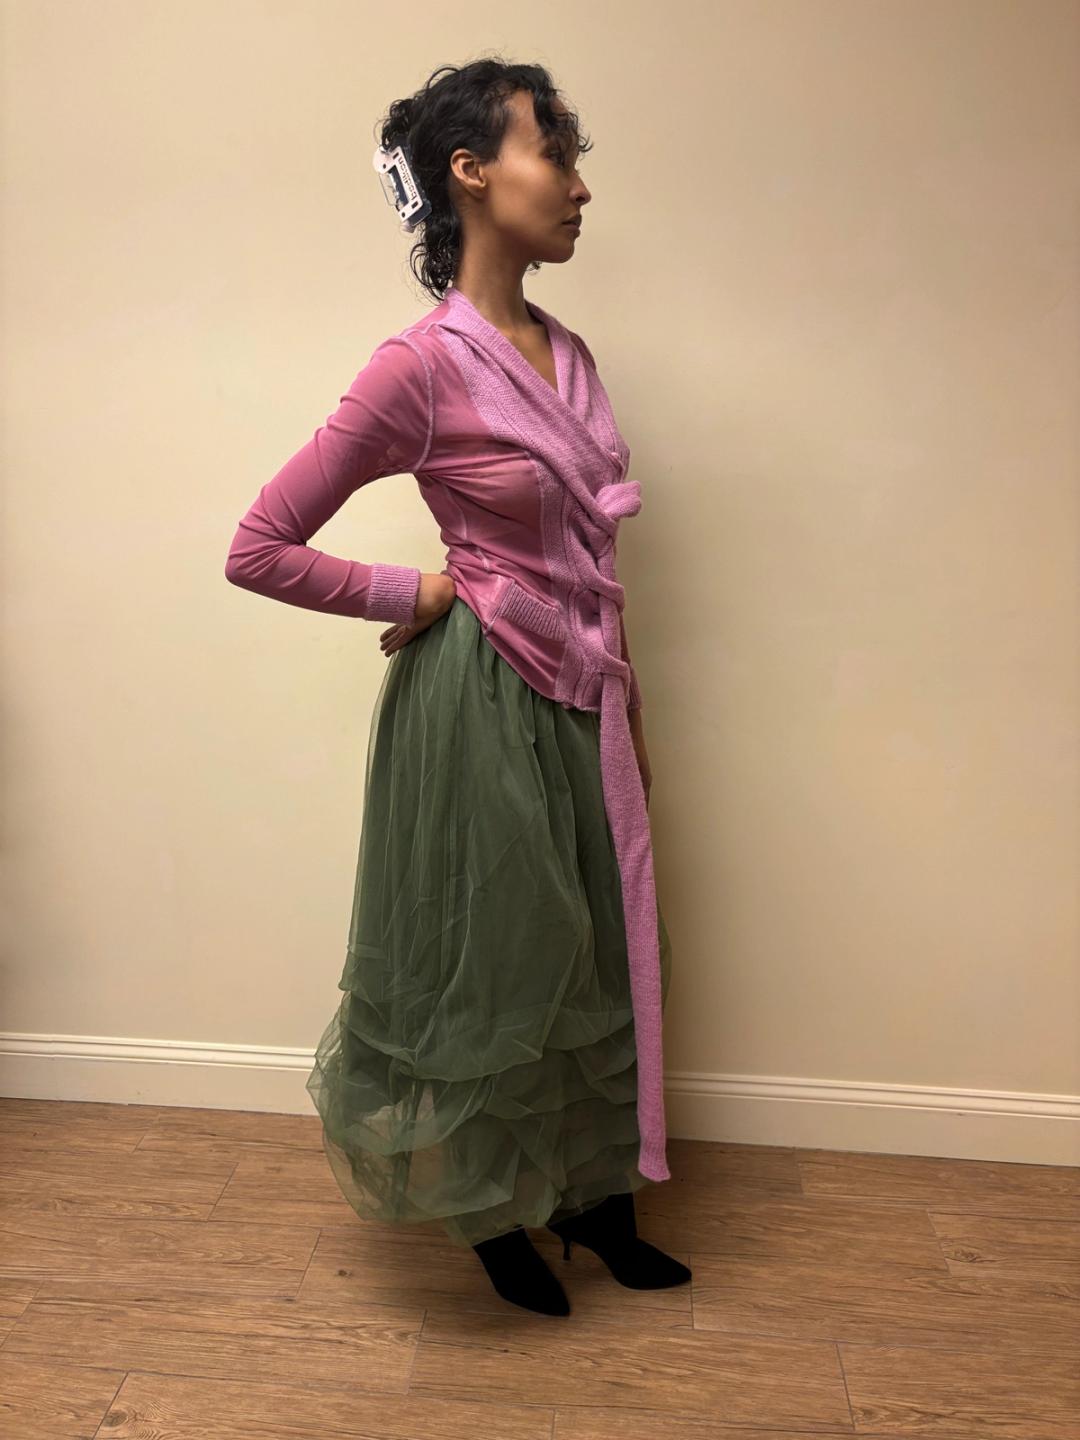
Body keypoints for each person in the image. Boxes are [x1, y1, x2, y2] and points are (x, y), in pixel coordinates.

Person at [224, 56, 689, 1316]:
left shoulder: (570, 354)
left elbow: (595, 559)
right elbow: (257, 546)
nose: (580, 187)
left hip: (585, 695)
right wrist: (416, 591)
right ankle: (487, 1210)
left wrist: (633, 710)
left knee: (590, 948)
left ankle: (593, 1201)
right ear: (471, 174)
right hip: (481, 700)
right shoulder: (418, 366)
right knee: (494, 959)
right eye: (557, 155)